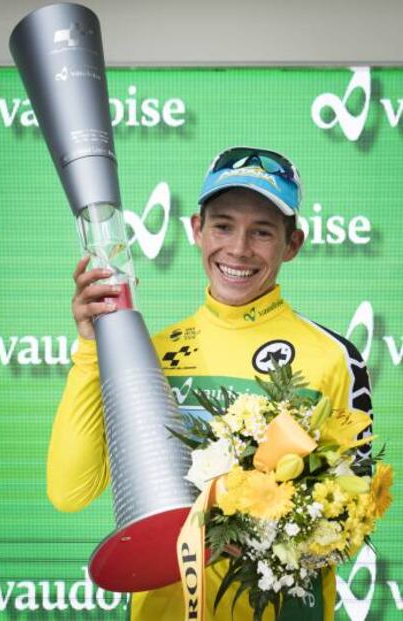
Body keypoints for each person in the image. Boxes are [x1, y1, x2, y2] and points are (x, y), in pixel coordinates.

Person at [47, 146, 373, 620]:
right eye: (223, 225)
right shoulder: (147, 353)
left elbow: (351, 521)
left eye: (261, 232)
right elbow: (69, 490)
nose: (239, 249)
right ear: (196, 230)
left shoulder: (335, 357)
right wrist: (92, 346)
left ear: (293, 244)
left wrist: (264, 525)